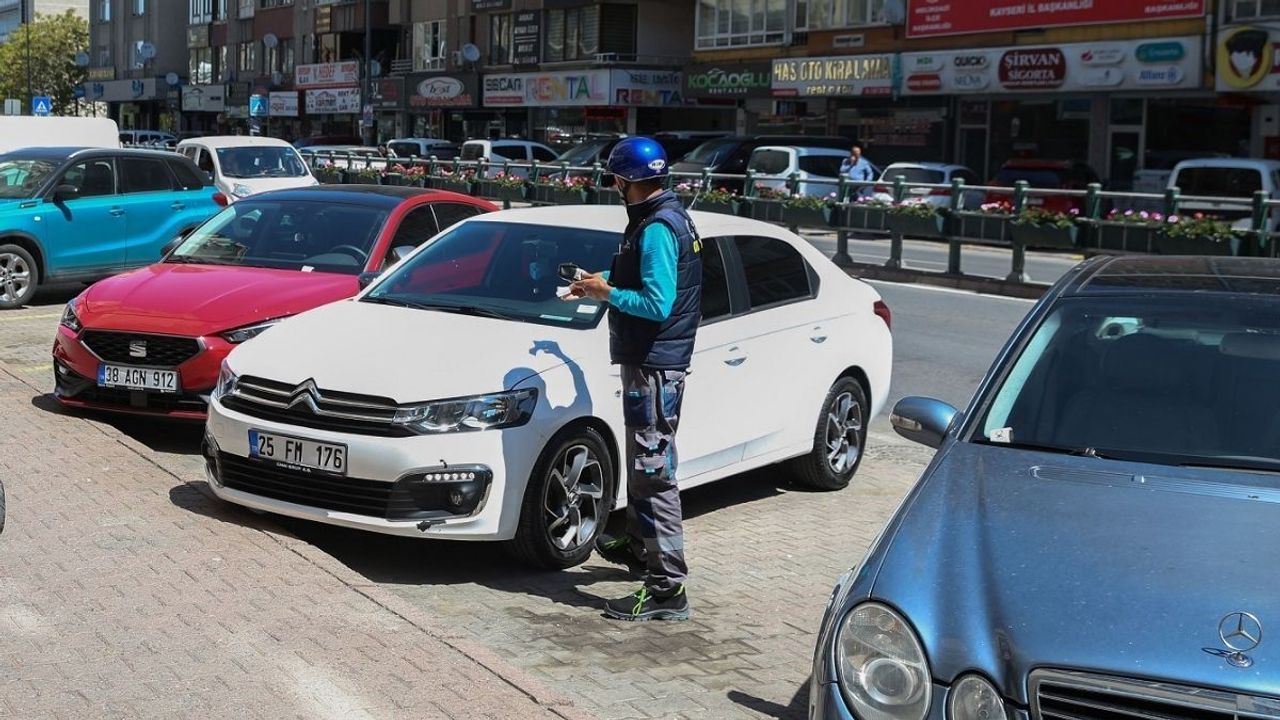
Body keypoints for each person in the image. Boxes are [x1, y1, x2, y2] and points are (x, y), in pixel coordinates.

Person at [566, 137, 703, 622]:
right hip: (651, 365)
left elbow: (657, 303)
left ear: (624, 181)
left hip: (654, 366)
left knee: (653, 475)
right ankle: (644, 551)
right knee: (648, 469)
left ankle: (667, 590)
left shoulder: (658, 227)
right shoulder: (659, 219)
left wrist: (608, 294)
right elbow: (641, 277)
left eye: (615, 179)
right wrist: (598, 281)